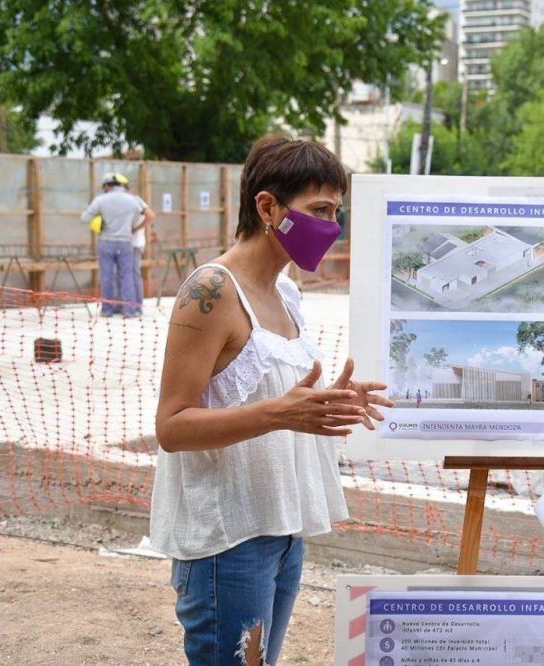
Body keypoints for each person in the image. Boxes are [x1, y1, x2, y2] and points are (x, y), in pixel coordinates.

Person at [151, 135, 393, 665]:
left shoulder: (286, 293)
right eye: (320, 210)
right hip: (226, 543)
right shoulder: (210, 292)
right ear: (267, 207)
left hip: (280, 530)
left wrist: (328, 402)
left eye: (337, 212)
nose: (331, 226)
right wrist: (280, 413)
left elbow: (272, 393)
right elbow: (171, 426)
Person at [80, 173, 147, 317]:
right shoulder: (132, 201)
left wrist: (99, 219)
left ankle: (107, 309)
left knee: (107, 277)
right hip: (125, 242)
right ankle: (129, 310)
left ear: (107, 185)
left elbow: (85, 217)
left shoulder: (101, 200)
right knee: (127, 276)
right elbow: (138, 218)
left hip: (106, 242)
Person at [124, 183, 156, 315]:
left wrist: (135, 229)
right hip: (126, 243)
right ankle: (129, 305)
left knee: (133, 273)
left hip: (134, 244)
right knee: (127, 274)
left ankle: (137, 306)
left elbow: (150, 215)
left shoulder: (135, 200)